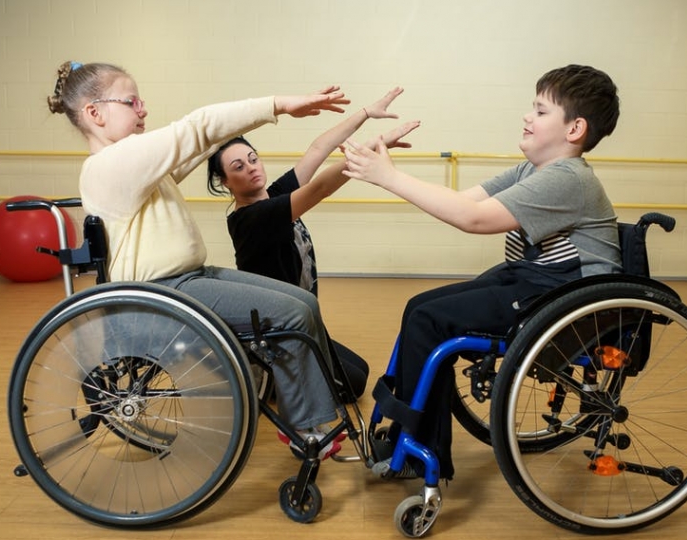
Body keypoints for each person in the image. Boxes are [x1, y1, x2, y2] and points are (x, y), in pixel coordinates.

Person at [47, 60, 351, 460]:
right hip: (162, 293)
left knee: (304, 304)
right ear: (94, 113)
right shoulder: (110, 165)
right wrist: (279, 104)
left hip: (187, 279)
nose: (143, 109)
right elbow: (199, 126)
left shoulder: (133, 167)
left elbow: (204, 142)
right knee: (292, 316)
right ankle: (305, 428)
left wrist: (261, 121)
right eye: (131, 101)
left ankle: (310, 414)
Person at [341, 64, 623, 479]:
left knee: (429, 319)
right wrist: (388, 174)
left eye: (541, 111)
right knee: (420, 305)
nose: (528, 116)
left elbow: (472, 219)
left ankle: (423, 451)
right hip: (537, 282)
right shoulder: (534, 170)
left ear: (575, 128)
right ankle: (408, 433)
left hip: (567, 298)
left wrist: (389, 178)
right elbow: (461, 201)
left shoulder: (568, 178)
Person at [205, 87, 420, 400]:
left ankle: (285, 372)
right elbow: (319, 187)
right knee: (355, 383)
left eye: (253, 159)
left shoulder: (273, 195)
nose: (252, 167)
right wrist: (370, 152)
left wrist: (364, 114)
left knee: (358, 367)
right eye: (238, 167)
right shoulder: (252, 218)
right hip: (278, 327)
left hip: (301, 319)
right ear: (224, 182)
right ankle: (272, 376)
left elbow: (318, 149)